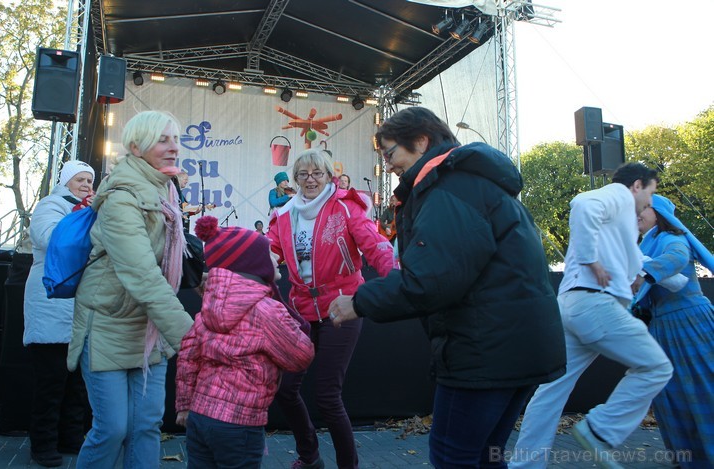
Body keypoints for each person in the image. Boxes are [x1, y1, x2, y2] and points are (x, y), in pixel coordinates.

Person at [328, 107, 566, 468]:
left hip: (485, 350)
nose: (388, 165)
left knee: (453, 456)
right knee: (486, 455)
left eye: (391, 153)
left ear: (421, 142)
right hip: (516, 345)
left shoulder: (449, 188)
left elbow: (430, 280)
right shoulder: (475, 184)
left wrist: (360, 301)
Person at [510, 162, 673, 469]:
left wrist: (642, 274)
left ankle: (524, 465)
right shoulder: (620, 196)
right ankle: (600, 430)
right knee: (657, 367)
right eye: (651, 193)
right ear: (637, 185)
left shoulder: (621, 224)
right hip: (596, 306)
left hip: (573, 306)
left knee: (550, 392)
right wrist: (590, 259)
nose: (650, 203)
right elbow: (583, 204)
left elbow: (641, 263)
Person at [66, 110, 194, 468]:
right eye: (163, 140)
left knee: (147, 426)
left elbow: (169, 261)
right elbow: (141, 274)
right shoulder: (122, 197)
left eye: (176, 139)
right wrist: (191, 339)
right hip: (108, 324)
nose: (174, 148)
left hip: (147, 328)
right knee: (113, 429)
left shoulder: (165, 187)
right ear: (136, 147)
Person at [268, 149, 395, 469]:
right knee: (284, 390)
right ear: (294, 180)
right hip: (300, 312)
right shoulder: (284, 214)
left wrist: (394, 277)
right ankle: (310, 456)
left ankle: (347, 465)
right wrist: (259, 263)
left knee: (327, 396)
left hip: (342, 308)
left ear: (329, 176)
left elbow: (374, 244)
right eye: (303, 175)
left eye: (317, 173)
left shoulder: (345, 207)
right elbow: (269, 249)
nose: (310, 180)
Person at [175, 216, 315, 468]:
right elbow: (301, 356)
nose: (276, 260)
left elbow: (188, 355)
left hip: (200, 417)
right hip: (240, 424)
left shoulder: (209, 306)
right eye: (270, 255)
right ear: (254, 264)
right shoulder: (266, 311)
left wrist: (184, 405)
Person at [23, 160, 95, 467]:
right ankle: (42, 444)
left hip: (79, 303)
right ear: (65, 181)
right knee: (51, 382)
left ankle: (70, 437)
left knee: (76, 383)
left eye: (90, 182)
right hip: (50, 301)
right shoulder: (49, 206)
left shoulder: (89, 210)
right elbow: (51, 240)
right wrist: (83, 219)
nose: (86, 186)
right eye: (80, 179)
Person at [635, 194, 714, 468]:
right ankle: (690, 458)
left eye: (643, 208)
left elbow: (677, 258)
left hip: (690, 323)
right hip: (665, 327)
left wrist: (643, 270)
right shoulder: (648, 242)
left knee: (703, 389)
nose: (637, 214)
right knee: (672, 395)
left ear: (660, 214)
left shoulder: (672, 239)